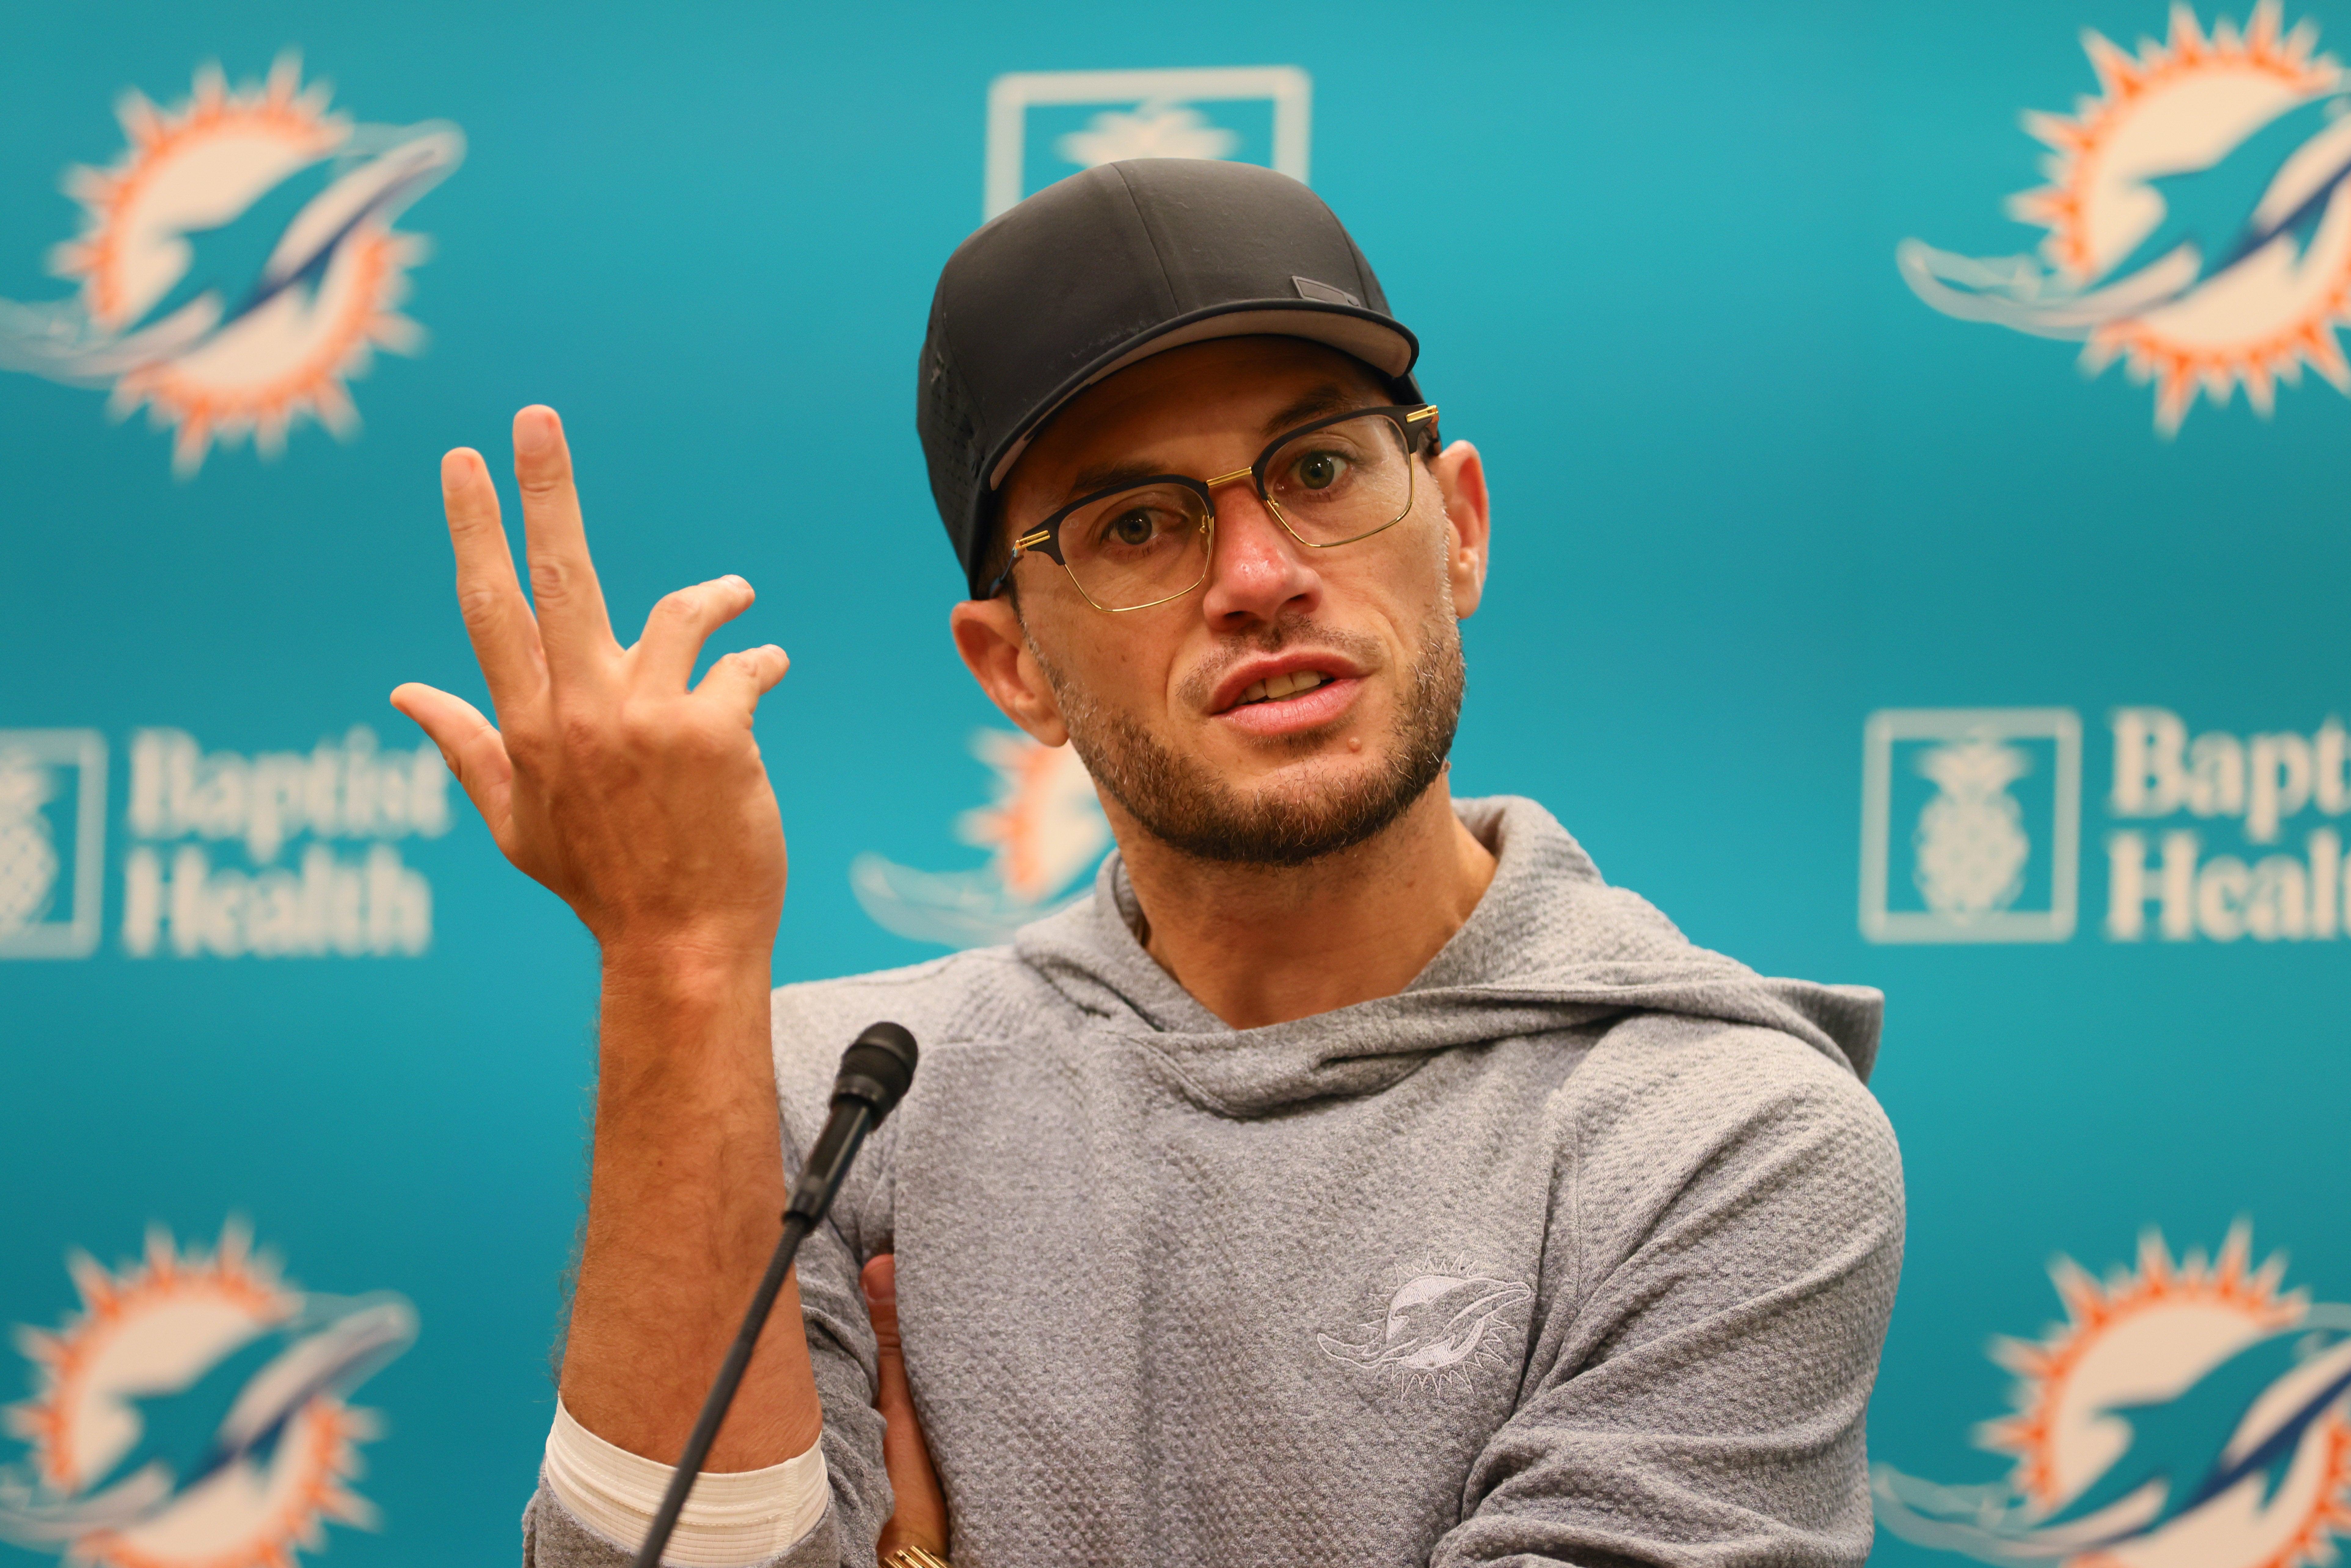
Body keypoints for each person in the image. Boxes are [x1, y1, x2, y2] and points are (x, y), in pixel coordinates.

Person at [392, 159, 1902, 1568]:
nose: (1259, 577)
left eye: (1316, 468)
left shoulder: (1723, 1132)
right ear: (1015, 671)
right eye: (1133, 525)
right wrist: (679, 961)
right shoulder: (833, 1091)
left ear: (1455, 527)